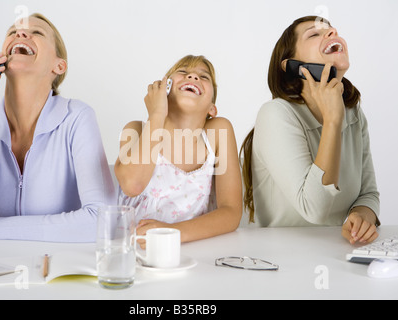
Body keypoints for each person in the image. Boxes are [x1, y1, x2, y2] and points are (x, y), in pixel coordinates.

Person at [0, 13, 115, 242]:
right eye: (12, 32)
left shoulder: (76, 117)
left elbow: (102, 220)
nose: (21, 33)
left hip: (58, 268)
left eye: (36, 32)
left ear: (59, 66)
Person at [240, 16, 380, 244]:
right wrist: (333, 121)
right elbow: (314, 208)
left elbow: (369, 194)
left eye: (333, 30)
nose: (332, 32)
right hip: (281, 259)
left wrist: (361, 216)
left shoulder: (354, 114)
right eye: (314, 34)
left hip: (335, 250)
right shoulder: (275, 114)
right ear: (291, 65)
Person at [115, 55, 242, 245]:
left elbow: (231, 212)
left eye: (204, 77)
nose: (192, 76)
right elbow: (133, 185)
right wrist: (157, 114)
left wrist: (171, 234)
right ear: (163, 91)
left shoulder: (218, 132)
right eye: (183, 72)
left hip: (193, 251)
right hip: (134, 251)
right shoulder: (136, 130)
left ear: (212, 109)